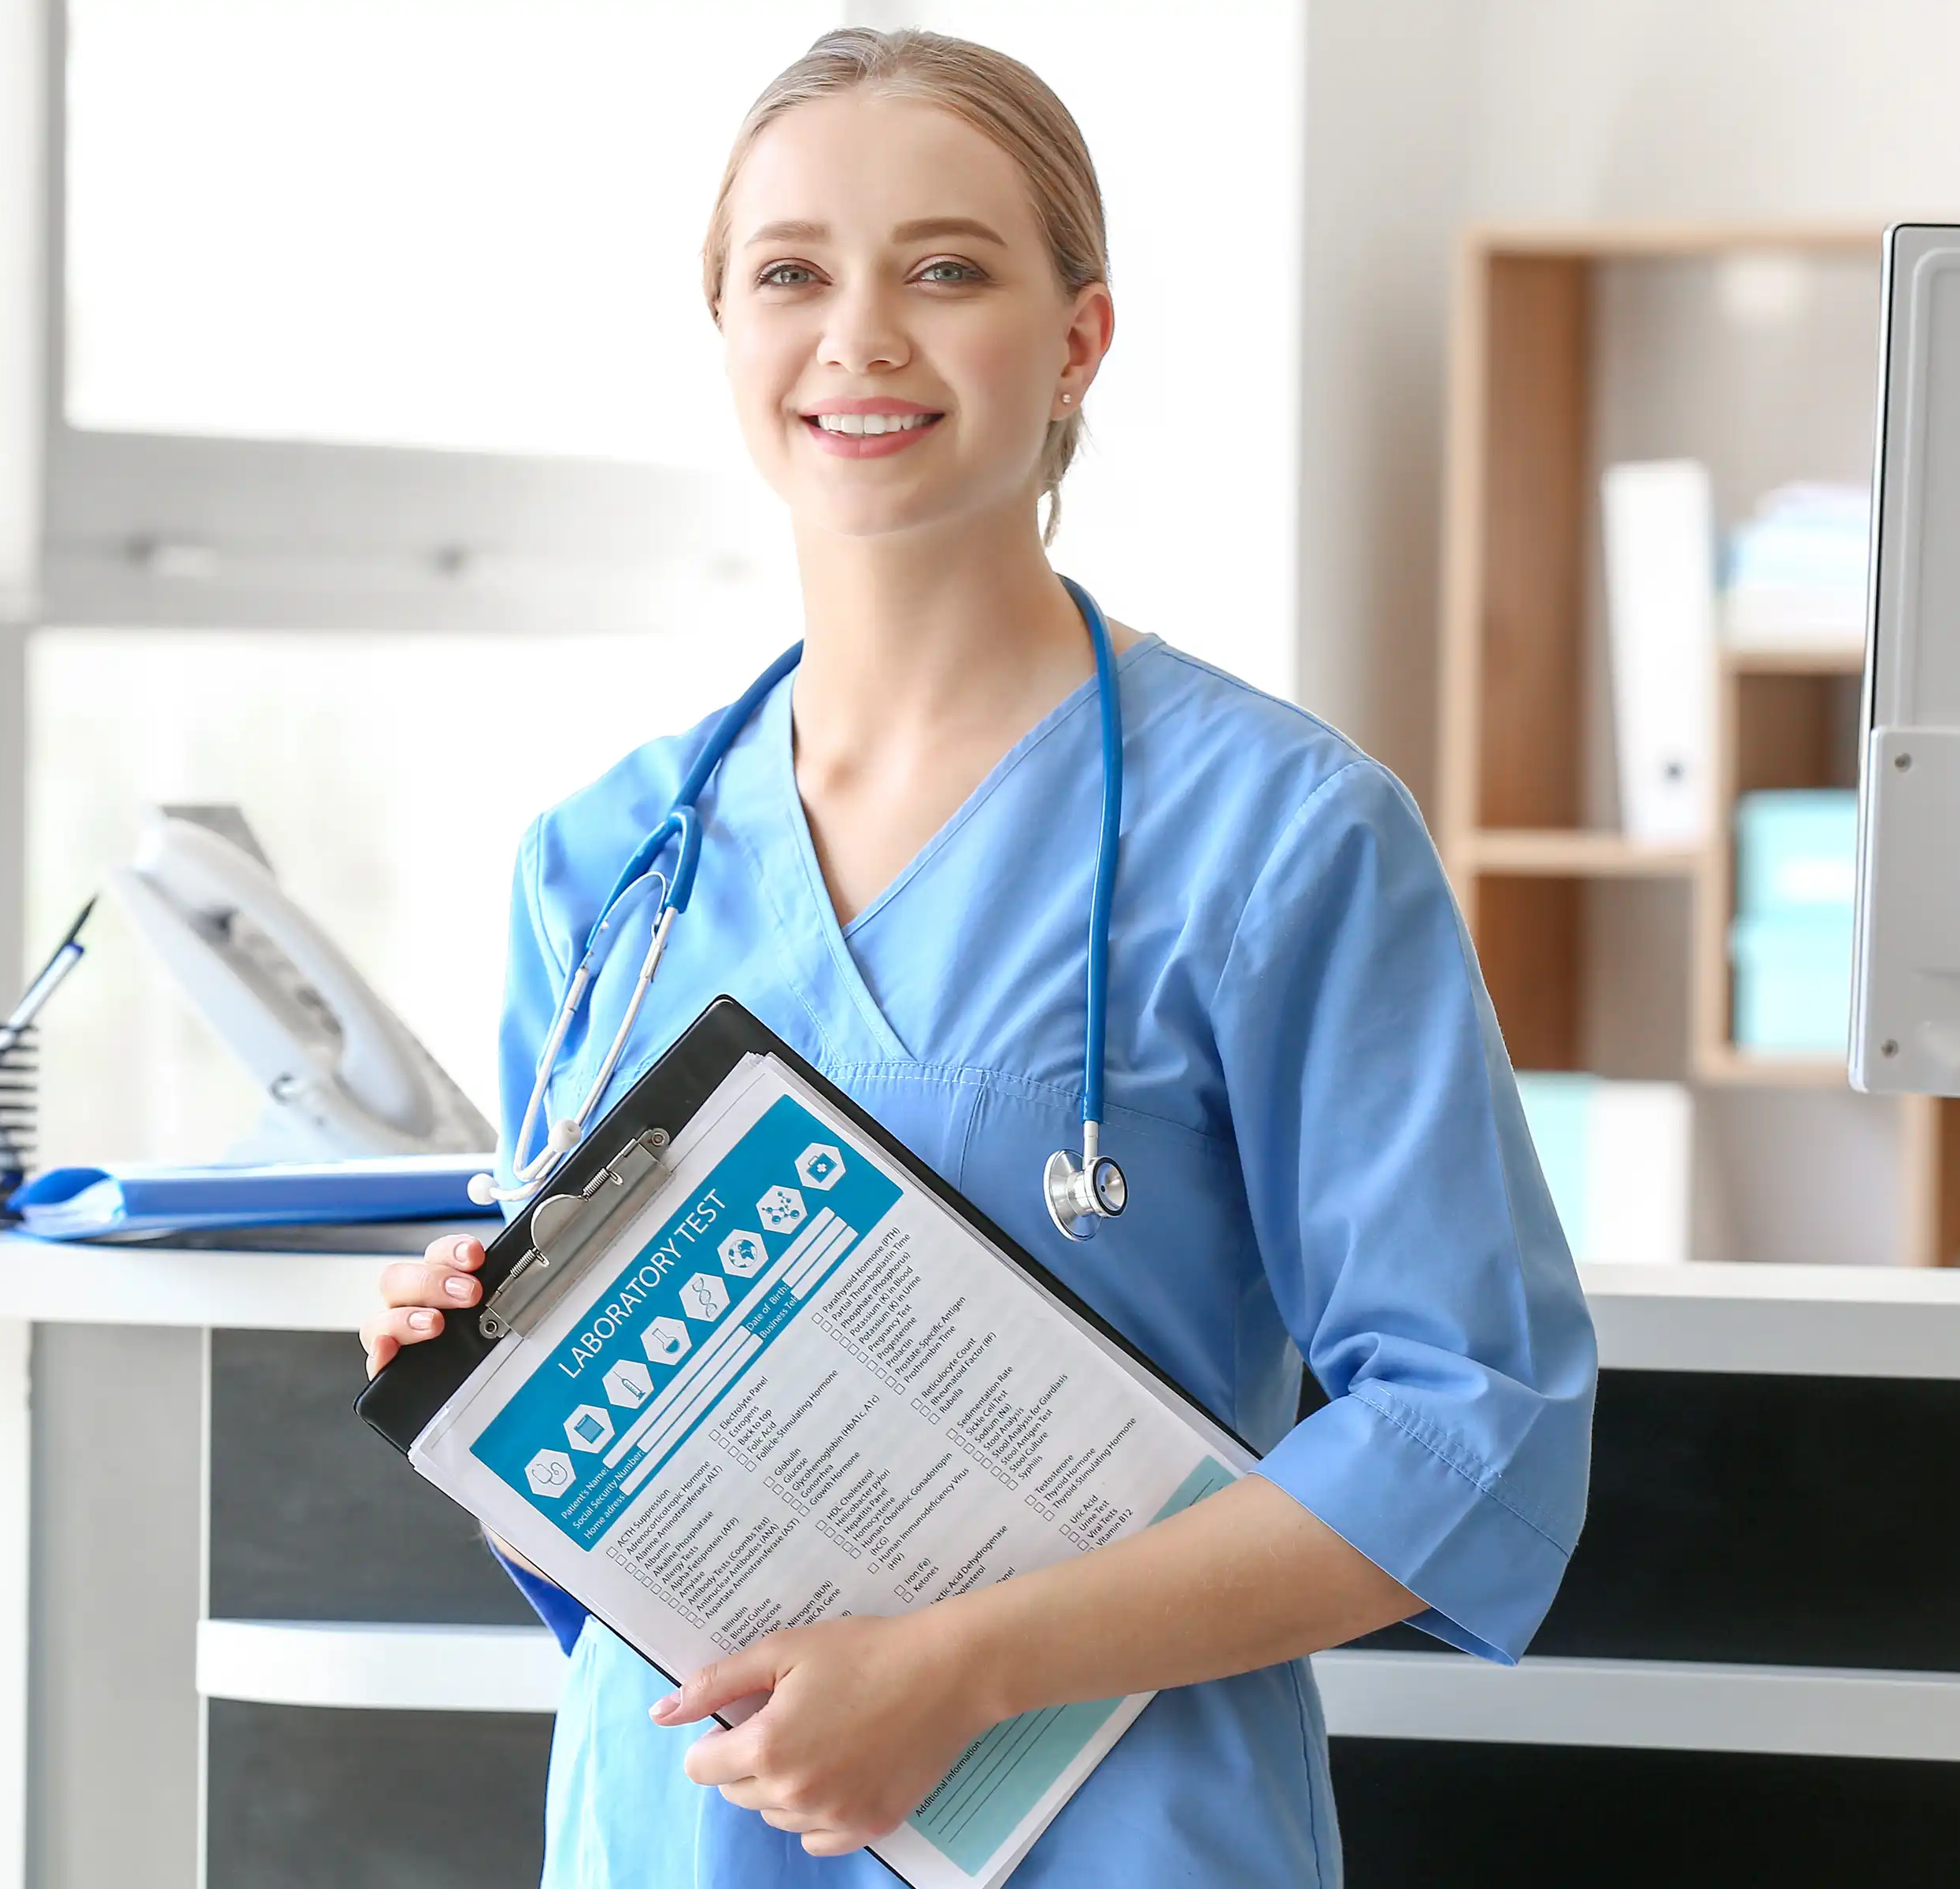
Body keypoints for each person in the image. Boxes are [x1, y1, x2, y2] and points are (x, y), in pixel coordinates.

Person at [361, 28, 1594, 1887]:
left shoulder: (1280, 839)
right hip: (677, 1840)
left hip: (1129, 1839)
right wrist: (489, 1378)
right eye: (790, 273)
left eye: (946, 268)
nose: (860, 336)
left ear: (1080, 340)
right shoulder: (605, 861)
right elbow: (625, 1522)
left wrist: (966, 1671)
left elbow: (1470, 1430)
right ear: (726, 333)